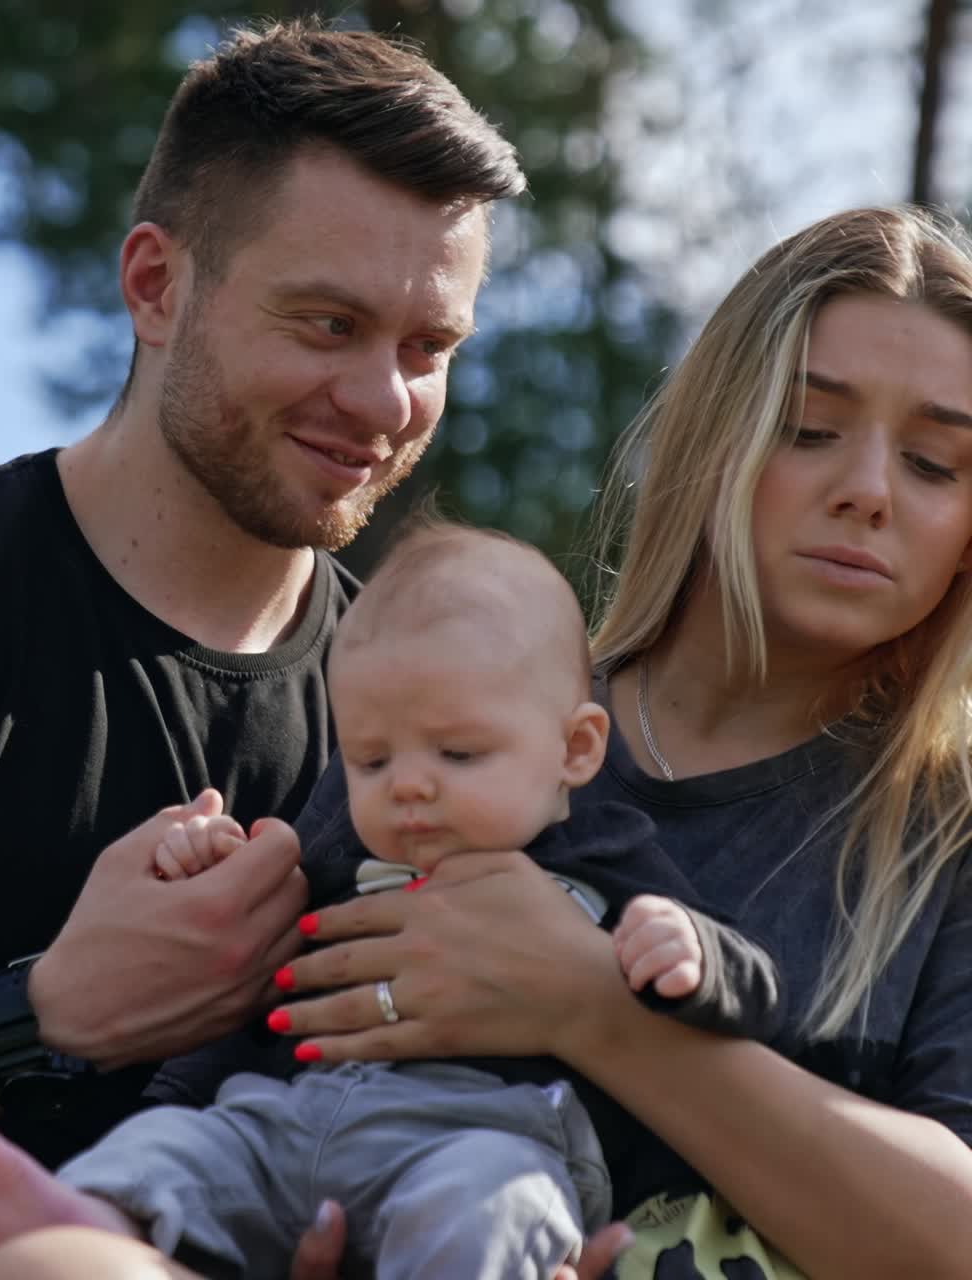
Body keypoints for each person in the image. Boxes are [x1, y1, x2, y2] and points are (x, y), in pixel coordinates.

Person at [0, 18, 527, 1280]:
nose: (380, 401)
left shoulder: (435, 709)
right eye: (324, 323)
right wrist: (42, 1015)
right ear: (155, 285)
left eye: (428, 348)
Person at [255, 204, 972, 1279]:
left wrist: (593, 1008)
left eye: (932, 462)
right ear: (713, 433)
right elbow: (253, 1071)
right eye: (809, 429)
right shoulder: (463, 710)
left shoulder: (947, 833)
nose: (866, 490)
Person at [0, 521, 785, 1279]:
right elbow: (255, 969)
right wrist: (211, 860)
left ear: (575, 748)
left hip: (482, 1133)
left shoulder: (603, 856)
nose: (409, 787)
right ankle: (102, 1214)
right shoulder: (348, 851)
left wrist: (688, 951)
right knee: (185, 1147)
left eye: (456, 753)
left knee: (491, 1209)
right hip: (297, 1125)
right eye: (372, 760)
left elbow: (754, 988)